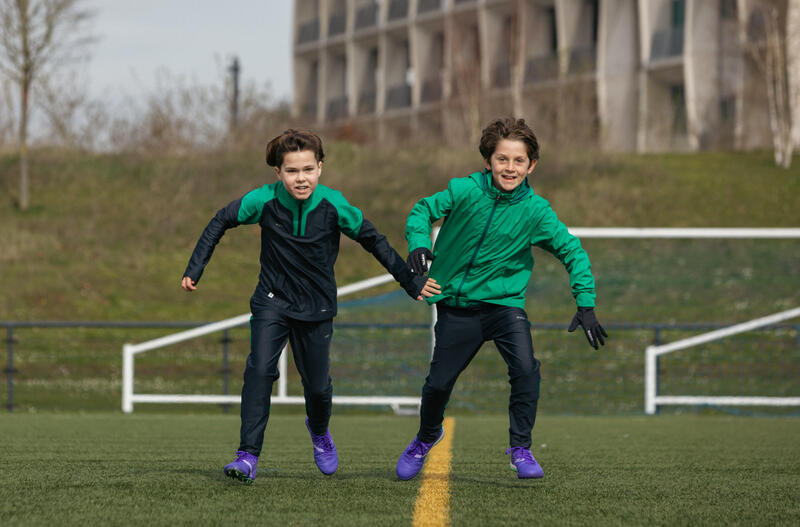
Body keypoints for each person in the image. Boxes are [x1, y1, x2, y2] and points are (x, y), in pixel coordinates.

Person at [181, 129, 440, 484]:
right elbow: (220, 220)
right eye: (291, 171)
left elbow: (373, 240)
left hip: (317, 308)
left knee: (317, 388)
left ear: (320, 167)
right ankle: (247, 456)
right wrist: (195, 268)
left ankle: (319, 431)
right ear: (278, 173)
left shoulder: (334, 204)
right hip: (272, 301)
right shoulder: (263, 200)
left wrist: (410, 282)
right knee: (259, 370)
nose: (300, 178)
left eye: (307, 169)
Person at [395, 117, 607, 481]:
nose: (510, 168)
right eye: (502, 160)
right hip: (456, 308)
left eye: (518, 161)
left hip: (505, 305)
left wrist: (585, 303)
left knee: (526, 369)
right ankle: (427, 436)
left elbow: (573, 251)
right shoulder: (464, 191)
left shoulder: (536, 212)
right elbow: (422, 210)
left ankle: (520, 448)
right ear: (489, 161)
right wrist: (418, 244)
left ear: (531, 165)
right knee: (438, 385)